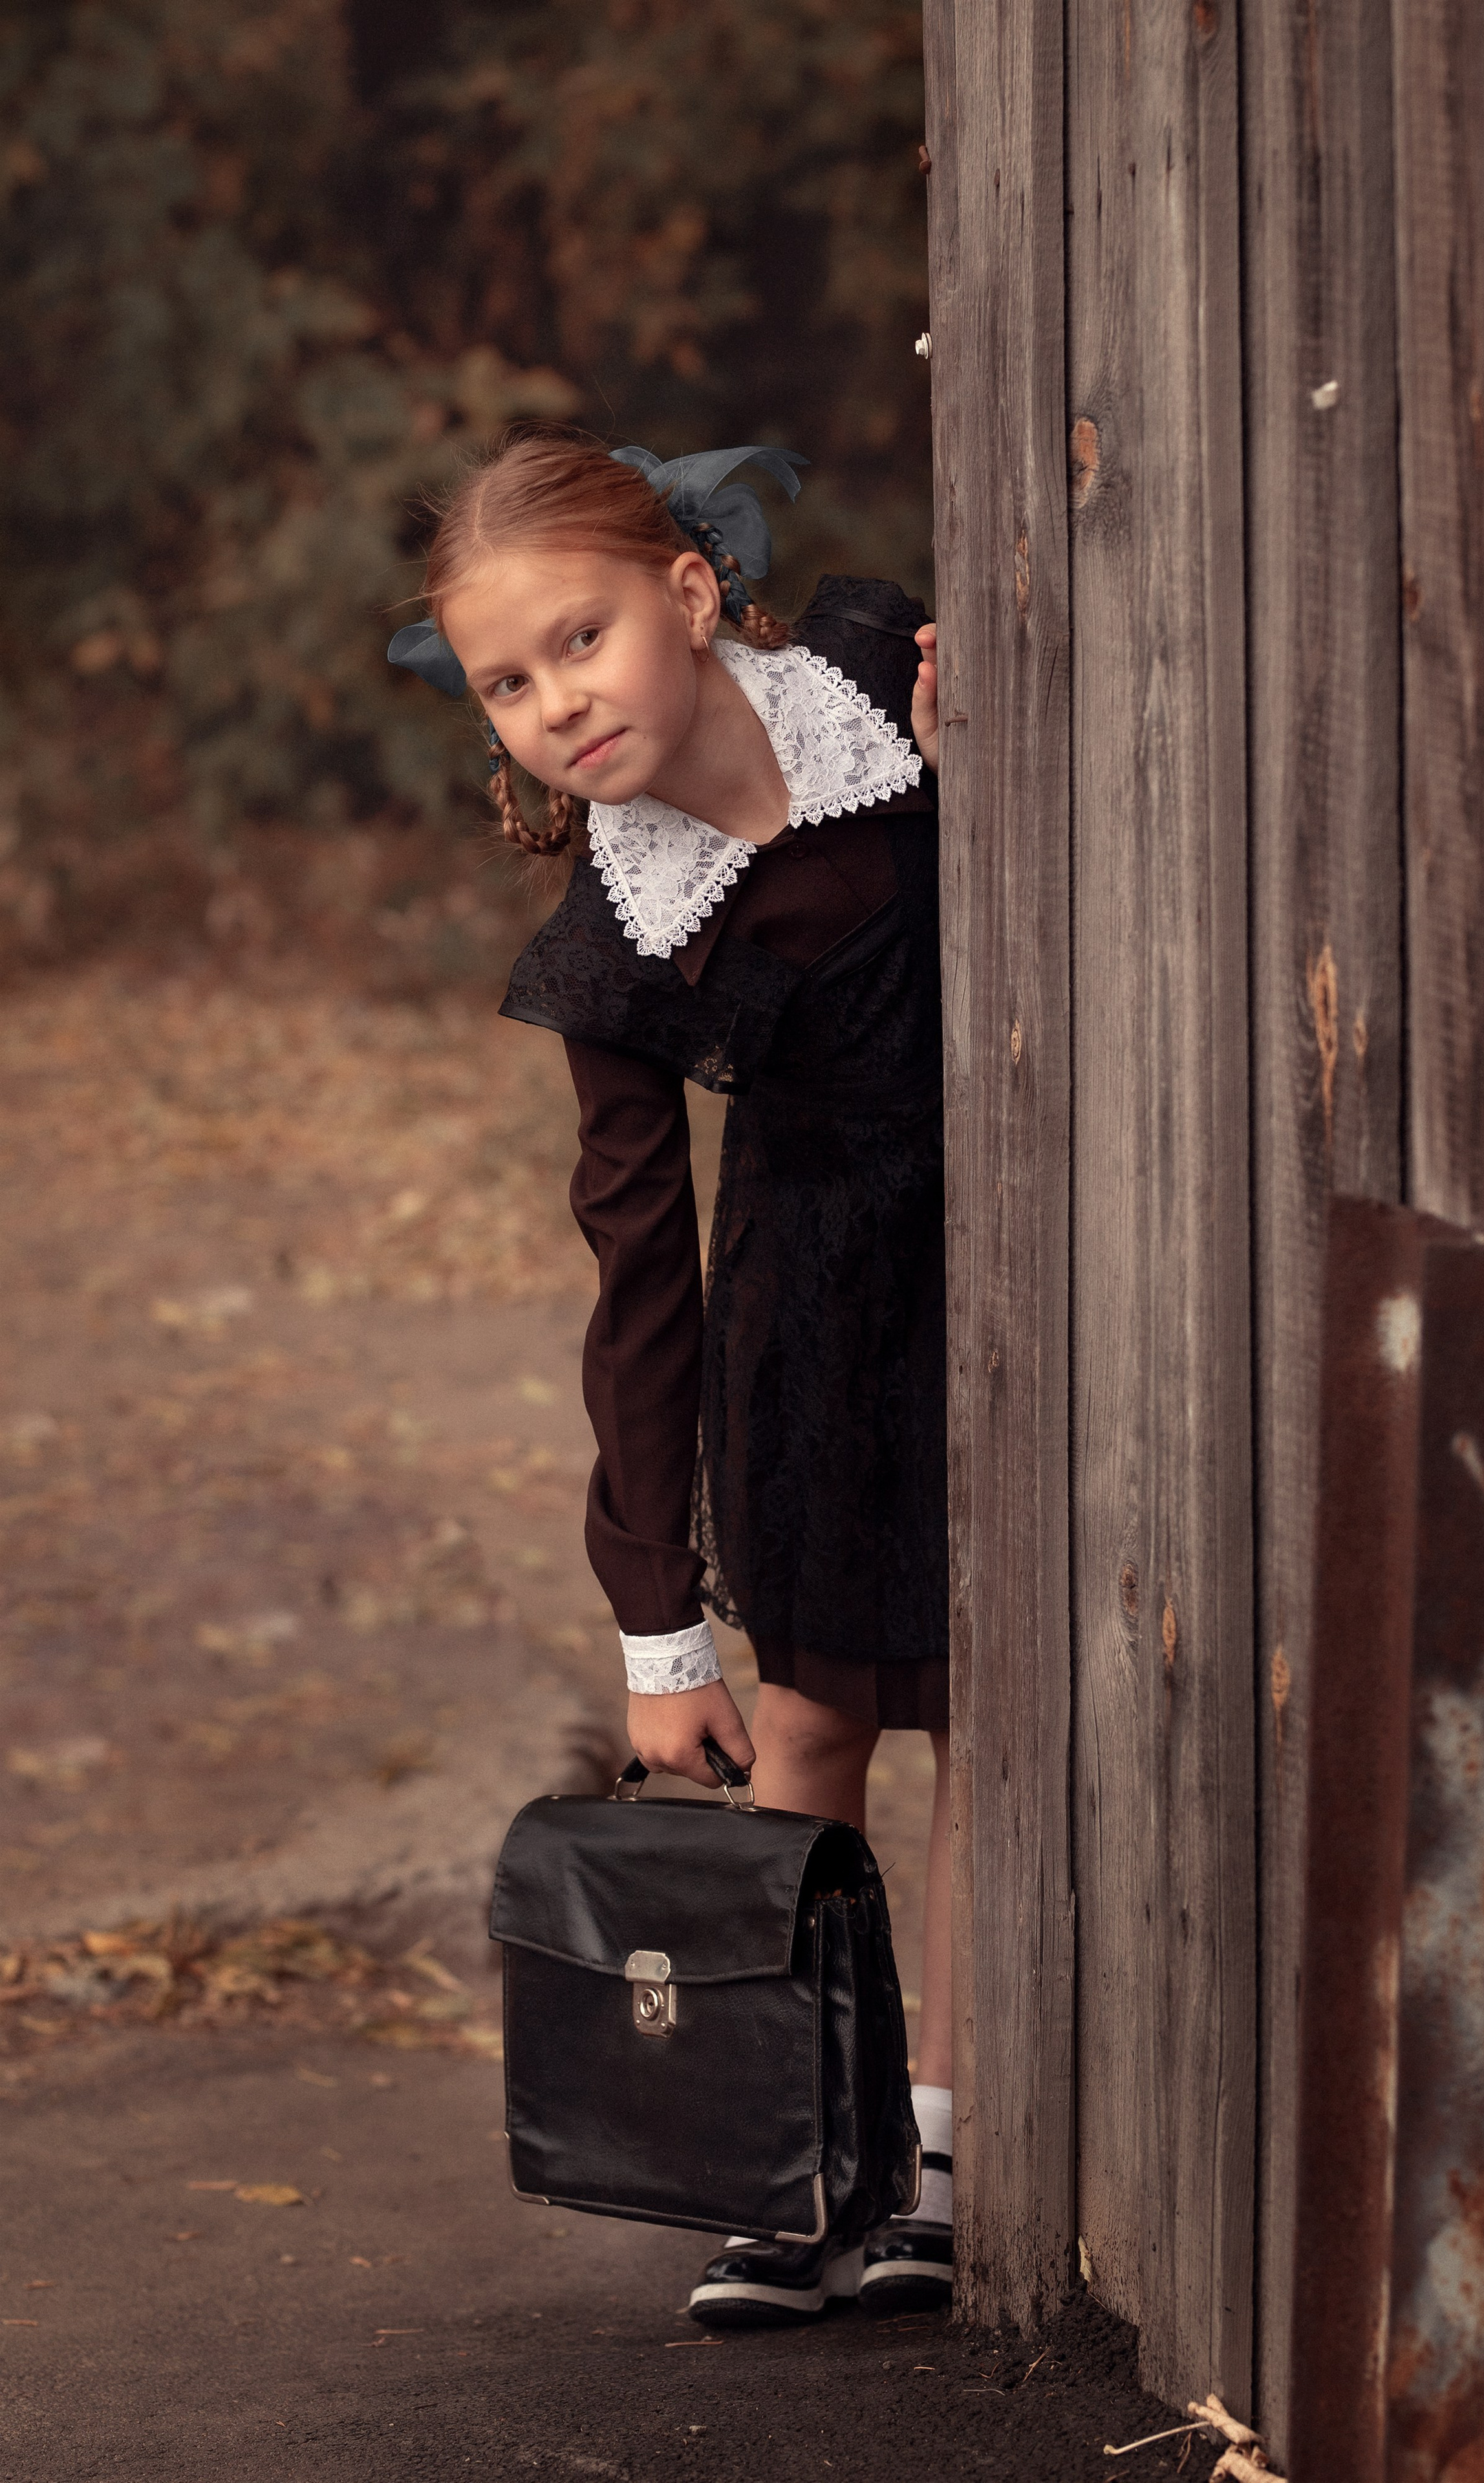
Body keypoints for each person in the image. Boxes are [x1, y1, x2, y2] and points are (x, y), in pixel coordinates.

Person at [390, 431, 952, 2327]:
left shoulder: (890, 685)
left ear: (691, 597)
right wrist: (656, 1638)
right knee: (810, 1731)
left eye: (583, 641)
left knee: (1015, 1724)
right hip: (815, 1309)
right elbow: (635, 1282)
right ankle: (811, 2156)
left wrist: (996, 744)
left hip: (1035, 1268)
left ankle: (941, 2147)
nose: (558, 703)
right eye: (508, 682)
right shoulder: (616, 945)